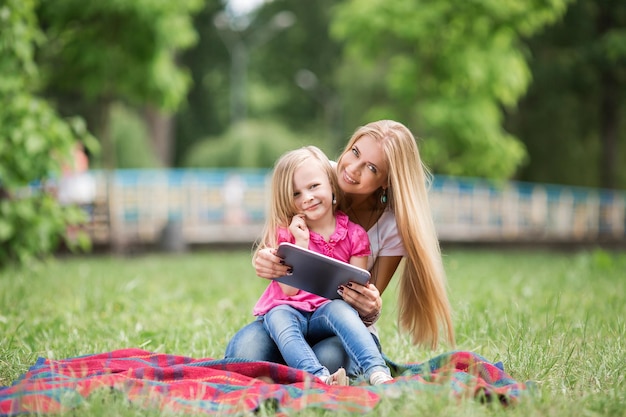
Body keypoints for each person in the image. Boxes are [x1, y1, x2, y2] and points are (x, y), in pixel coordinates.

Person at [225, 120, 455, 376]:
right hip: (292, 314)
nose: (352, 170)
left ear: (386, 181)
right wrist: (265, 259)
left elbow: (362, 297)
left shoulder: (392, 225)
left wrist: (372, 307)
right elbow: (281, 222)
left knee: (329, 357)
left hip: (338, 321)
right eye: (355, 152)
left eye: (371, 168)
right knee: (245, 352)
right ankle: (298, 367)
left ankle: (304, 370)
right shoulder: (315, 175)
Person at [252, 146, 393, 385]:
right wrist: (301, 242)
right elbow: (288, 291)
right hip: (288, 310)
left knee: (341, 310)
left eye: (314, 186)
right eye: (296, 194)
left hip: (327, 313)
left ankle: (378, 370)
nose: (307, 197)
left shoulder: (355, 235)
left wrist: (361, 297)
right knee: (277, 316)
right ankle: (318, 377)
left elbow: (355, 285)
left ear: (330, 183)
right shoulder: (286, 233)